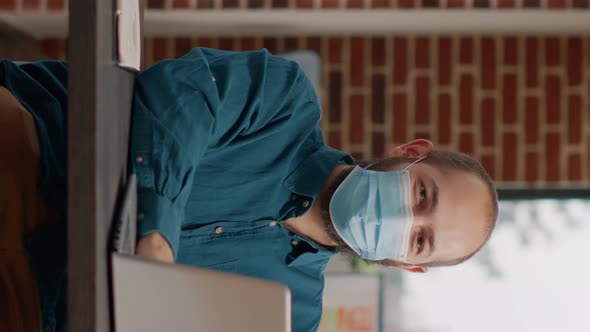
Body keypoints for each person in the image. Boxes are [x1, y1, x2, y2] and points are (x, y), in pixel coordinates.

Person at [0, 48, 498, 332]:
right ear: (411, 152)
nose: (404, 220)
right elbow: (180, 97)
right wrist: (156, 240)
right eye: (422, 197)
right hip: (34, 150)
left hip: (33, 303)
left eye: (420, 240)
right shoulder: (283, 101)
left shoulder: (289, 317)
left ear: (408, 265)